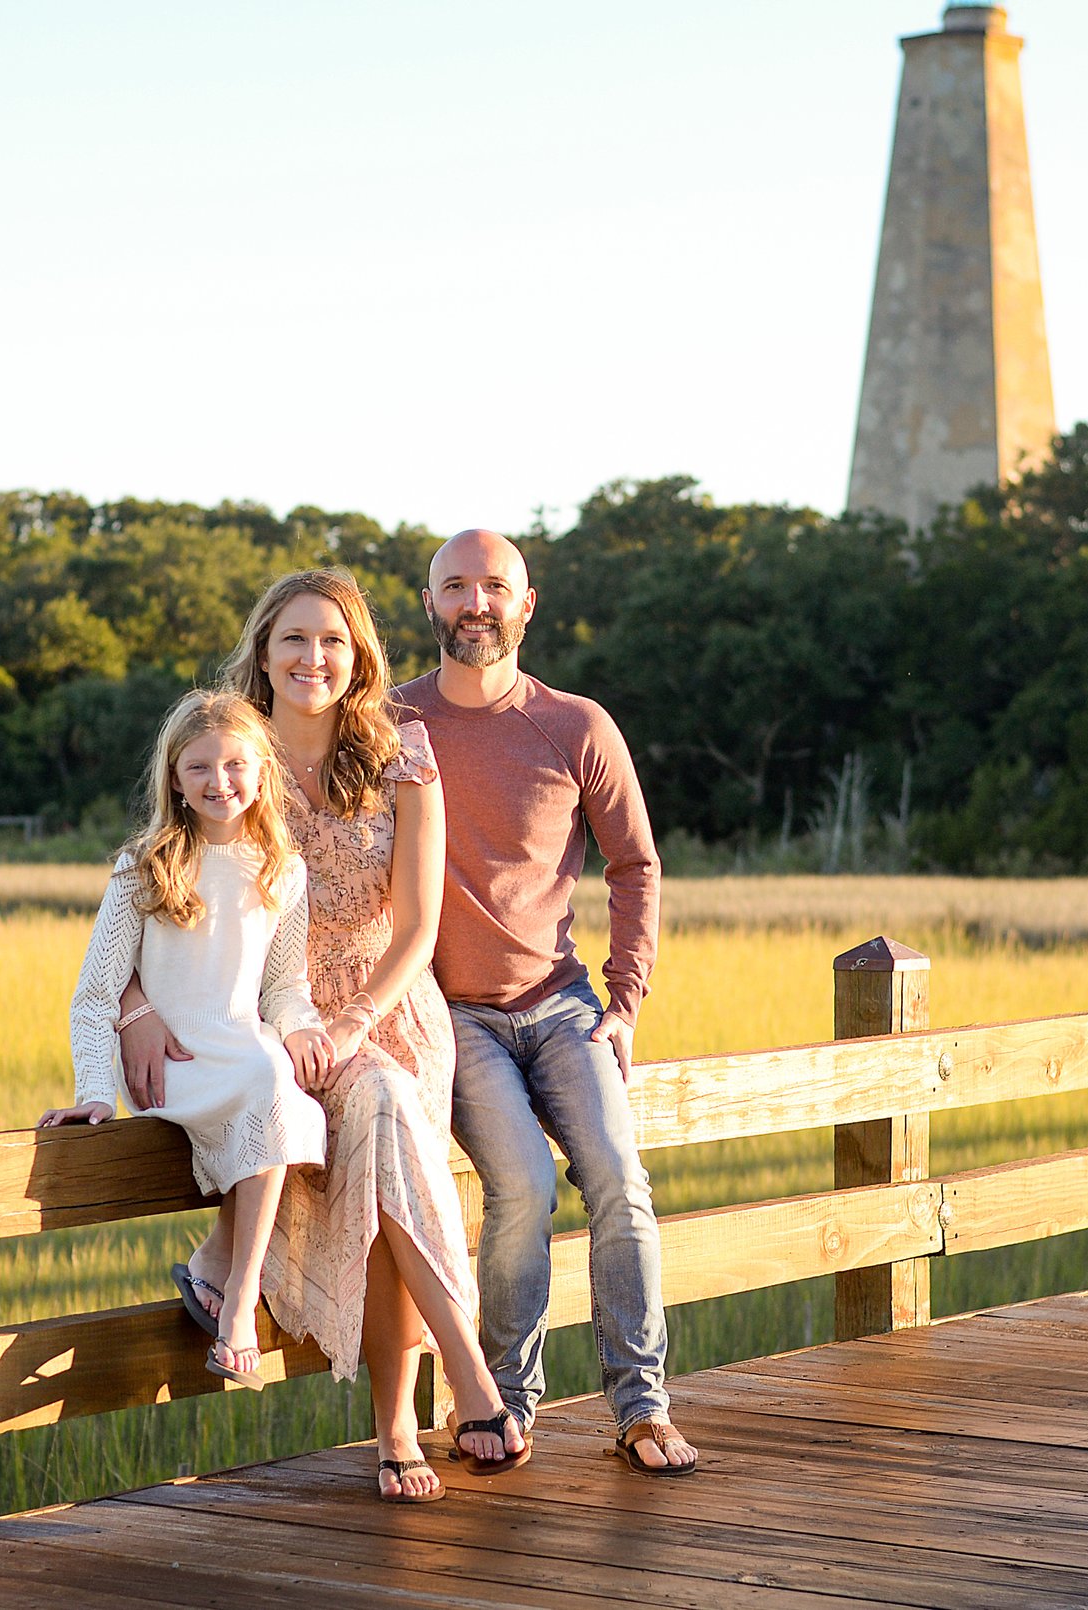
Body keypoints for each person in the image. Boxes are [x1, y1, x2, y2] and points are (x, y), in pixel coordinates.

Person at [115, 569, 524, 1499]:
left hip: (385, 1004)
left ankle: (396, 1433)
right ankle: (465, 1383)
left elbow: (418, 924)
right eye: (293, 639)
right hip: (269, 1015)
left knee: (382, 1123)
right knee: (374, 1117)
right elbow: (156, 887)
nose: (313, 658)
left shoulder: (402, 756)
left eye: (333, 640)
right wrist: (133, 1005)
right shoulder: (227, 754)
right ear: (262, 652)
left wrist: (354, 1020)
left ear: (360, 656)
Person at [391, 528, 700, 1477]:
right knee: (521, 1184)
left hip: (563, 1005)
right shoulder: (391, 724)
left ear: (527, 605)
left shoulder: (575, 726)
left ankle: (642, 1407)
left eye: (494, 586)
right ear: (431, 604)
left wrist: (626, 998)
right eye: (456, 587)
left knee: (619, 1181)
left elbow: (635, 865)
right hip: (456, 1017)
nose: (474, 603)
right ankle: (505, 1404)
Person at [38, 687, 327, 1391]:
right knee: (269, 1090)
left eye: (234, 765)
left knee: (282, 1090)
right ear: (173, 777)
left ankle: (222, 1276)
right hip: (179, 1065)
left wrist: (304, 1030)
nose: (218, 782)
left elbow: (284, 986)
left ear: (262, 773)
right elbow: (96, 991)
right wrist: (94, 1092)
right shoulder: (147, 864)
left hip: (244, 1045)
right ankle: (238, 1309)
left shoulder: (282, 871)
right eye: (198, 768)